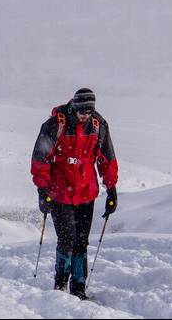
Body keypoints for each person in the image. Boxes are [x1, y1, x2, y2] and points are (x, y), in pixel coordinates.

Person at [31, 88, 118, 300]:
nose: (85, 115)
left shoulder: (99, 126)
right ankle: (60, 284)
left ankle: (78, 286)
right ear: (74, 106)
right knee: (67, 238)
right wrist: (42, 190)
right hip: (59, 193)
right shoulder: (56, 124)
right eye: (81, 111)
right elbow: (40, 159)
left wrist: (111, 189)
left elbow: (107, 159)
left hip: (86, 193)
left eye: (89, 111)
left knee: (81, 241)